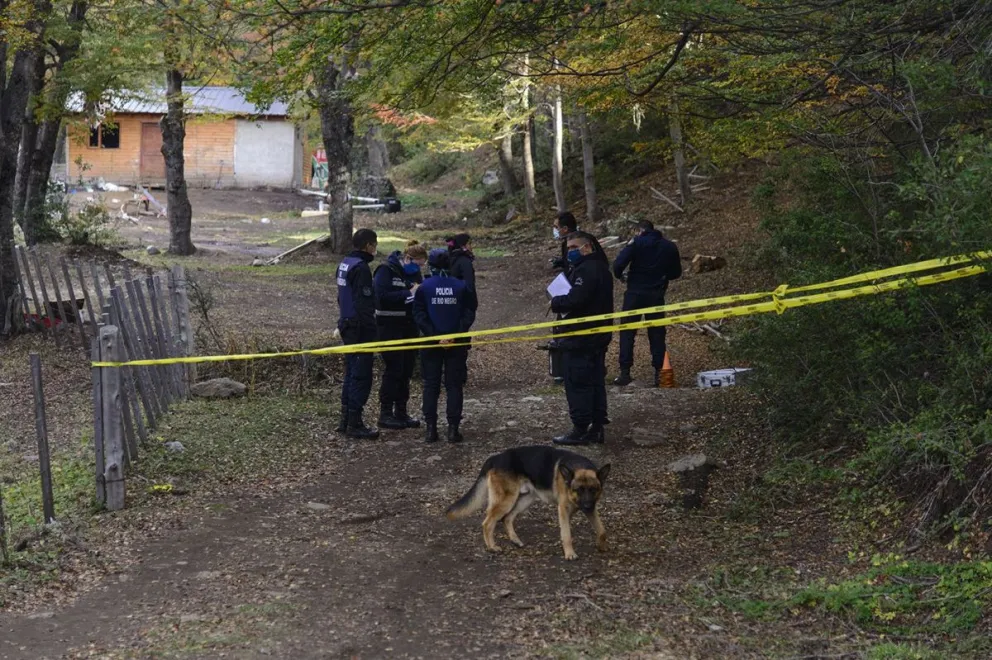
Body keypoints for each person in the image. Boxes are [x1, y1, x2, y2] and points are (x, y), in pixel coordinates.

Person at [549, 231, 614, 446]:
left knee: (578, 383)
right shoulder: (600, 268)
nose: (571, 252)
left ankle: (580, 428)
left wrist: (556, 302)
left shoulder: (588, 270)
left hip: (582, 337)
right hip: (596, 335)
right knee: (595, 381)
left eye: (574, 248)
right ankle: (596, 427)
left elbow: (577, 299)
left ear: (587, 247)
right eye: (569, 249)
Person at [413, 249, 478, 444]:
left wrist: (434, 336)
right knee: (454, 385)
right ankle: (453, 429)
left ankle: (430, 429)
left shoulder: (424, 288)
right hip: (457, 343)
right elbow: (470, 311)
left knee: (431, 385)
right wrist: (455, 334)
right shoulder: (461, 286)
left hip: (430, 343)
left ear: (430, 266)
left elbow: (419, 314)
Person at [611, 219, 682, 387]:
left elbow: (618, 265)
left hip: (634, 294)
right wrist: (662, 276)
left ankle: (625, 372)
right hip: (656, 294)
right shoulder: (669, 246)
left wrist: (623, 276)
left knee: (627, 333)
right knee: (657, 334)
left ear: (639, 231)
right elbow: (676, 272)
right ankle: (660, 374)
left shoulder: (636, 243)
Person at [373, 240, 428, 430]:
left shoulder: (414, 273)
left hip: (409, 326)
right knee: (393, 369)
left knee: (406, 370)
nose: (418, 269)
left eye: (422, 266)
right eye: (418, 264)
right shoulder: (385, 270)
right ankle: (386, 413)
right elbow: (381, 297)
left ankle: (401, 411)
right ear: (407, 258)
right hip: (389, 326)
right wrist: (407, 294)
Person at [335, 228, 380, 439]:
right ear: (368, 246)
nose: (375, 249)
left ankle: (345, 420)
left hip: (346, 323)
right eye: (375, 245)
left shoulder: (345, 263)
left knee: (351, 372)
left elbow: (341, 296)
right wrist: (372, 331)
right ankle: (355, 422)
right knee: (361, 375)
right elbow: (364, 303)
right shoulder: (361, 268)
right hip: (359, 327)